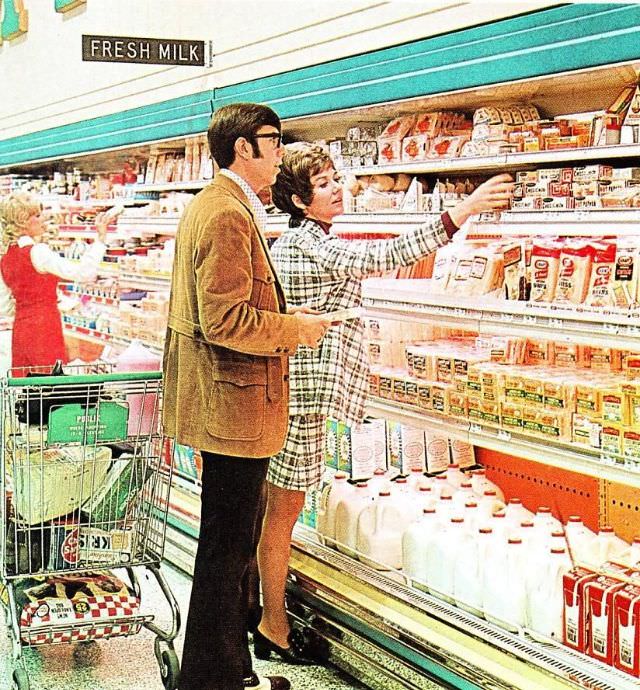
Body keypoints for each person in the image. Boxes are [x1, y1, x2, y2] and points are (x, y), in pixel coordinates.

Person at [255, 142, 514, 663]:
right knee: (283, 512)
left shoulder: (296, 241)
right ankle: (272, 625)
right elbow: (380, 256)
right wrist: (462, 211)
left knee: (273, 509)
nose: (338, 188)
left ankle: (260, 612)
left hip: (286, 391)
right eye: (325, 183)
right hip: (301, 397)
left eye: (336, 177)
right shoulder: (312, 244)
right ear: (301, 201)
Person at [161, 104, 331, 690]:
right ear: (242, 148)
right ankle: (210, 679)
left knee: (228, 548)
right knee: (225, 552)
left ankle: (231, 670)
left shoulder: (223, 205)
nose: (281, 151)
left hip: (225, 404)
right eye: (273, 140)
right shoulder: (226, 214)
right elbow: (224, 318)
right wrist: (296, 329)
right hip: (232, 406)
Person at [0, 191, 108, 370]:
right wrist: (100, 240)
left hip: (21, 328)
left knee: (26, 385)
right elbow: (83, 273)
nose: (43, 218)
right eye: (37, 215)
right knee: (50, 382)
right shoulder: (38, 252)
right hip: (44, 327)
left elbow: (4, 306)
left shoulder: (5, 258)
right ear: (23, 222)